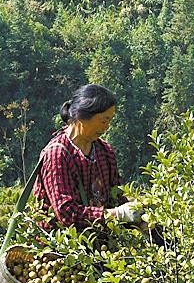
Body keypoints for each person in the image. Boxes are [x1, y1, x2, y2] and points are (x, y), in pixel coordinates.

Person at [35, 83, 139, 233]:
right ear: (82, 117)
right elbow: (66, 213)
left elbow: (116, 197)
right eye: (103, 121)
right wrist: (116, 214)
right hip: (63, 249)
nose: (106, 127)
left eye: (109, 121)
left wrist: (137, 218)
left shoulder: (104, 151)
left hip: (99, 245)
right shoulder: (57, 154)